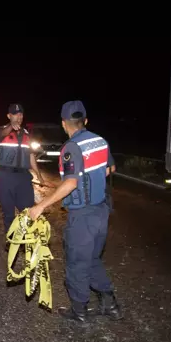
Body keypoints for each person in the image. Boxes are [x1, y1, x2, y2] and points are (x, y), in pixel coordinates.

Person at [27, 100, 123, 322]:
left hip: (83, 216)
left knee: (77, 263)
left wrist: (40, 206)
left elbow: (70, 183)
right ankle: (110, 304)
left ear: (63, 123)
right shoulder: (100, 140)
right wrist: (92, 178)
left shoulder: (71, 148)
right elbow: (111, 168)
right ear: (85, 121)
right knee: (92, 260)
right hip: (101, 211)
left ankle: (79, 311)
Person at [0, 103, 46, 235]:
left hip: (23, 178)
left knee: (27, 212)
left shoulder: (27, 134)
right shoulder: (1, 131)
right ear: (9, 116)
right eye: (16, 114)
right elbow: (0, 135)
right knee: (8, 214)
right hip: (6, 177)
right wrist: (11, 127)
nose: (19, 116)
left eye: (21, 114)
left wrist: (39, 176)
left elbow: (31, 156)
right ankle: (11, 242)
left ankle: (26, 241)